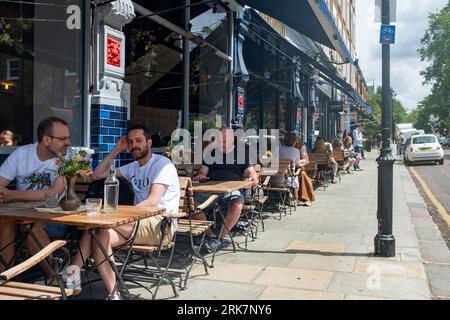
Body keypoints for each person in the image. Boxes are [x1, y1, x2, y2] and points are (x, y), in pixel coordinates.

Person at [65, 124, 180, 300]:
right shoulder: (132, 166)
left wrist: (117, 215)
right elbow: (97, 175)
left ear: (149, 142)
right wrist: (116, 149)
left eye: (139, 141)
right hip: (136, 223)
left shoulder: (162, 164)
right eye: (130, 141)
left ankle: (71, 274)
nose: (134, 145)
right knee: (97, 232)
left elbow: (152, 201)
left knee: (97, 227)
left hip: (160, 224)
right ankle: (113, 293)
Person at [0, 117, 69, 278]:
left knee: (28, 224)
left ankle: (54, 278)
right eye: (62, 138)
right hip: (20, 213)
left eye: (68, 138)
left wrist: (13, 195)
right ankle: (4, 279)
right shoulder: (22, 154)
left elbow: (53, 194)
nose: (67, 143)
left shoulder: (65, 159)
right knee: (5, 221)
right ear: (46, 139)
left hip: (55, 218)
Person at [193, 127, 259, 252]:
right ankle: (210, 236)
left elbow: (251, 172)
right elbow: (203, 170)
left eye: (224, 140)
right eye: (219, 140)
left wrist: (254, 178)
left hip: (232, 190)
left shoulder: (241, 153)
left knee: (237, 205)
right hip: (211, 189)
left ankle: (220, 238)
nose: (221, 143)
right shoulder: (211, 152)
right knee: (192, 204)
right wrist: (201, 175)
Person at [270, 132, 301, 205]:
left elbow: (270, 159)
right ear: (294, 141)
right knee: (295, 175)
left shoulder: (277, 149)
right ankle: (295, 199)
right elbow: (297, 164)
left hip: (273, 180)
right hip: (288, 182)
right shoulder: (296, 151)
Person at [294, 138, 315, 206]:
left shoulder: (301, 147)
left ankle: (305, 197)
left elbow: (306, 160)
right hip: (287, 169)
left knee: (303, 176)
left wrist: (298, 162)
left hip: (298, 168)